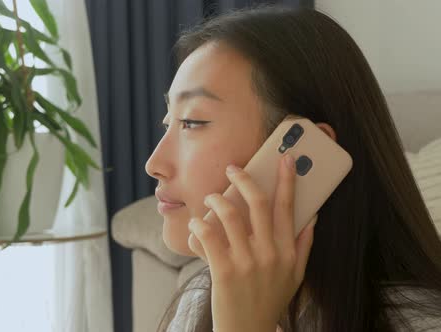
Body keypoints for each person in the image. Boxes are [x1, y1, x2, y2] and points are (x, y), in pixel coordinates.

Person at [144, 5, 441, 332]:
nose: (154, 165)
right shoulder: (202, 300)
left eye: (192, 122)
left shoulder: (420, 323)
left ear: (307, 151)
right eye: (168, 121)